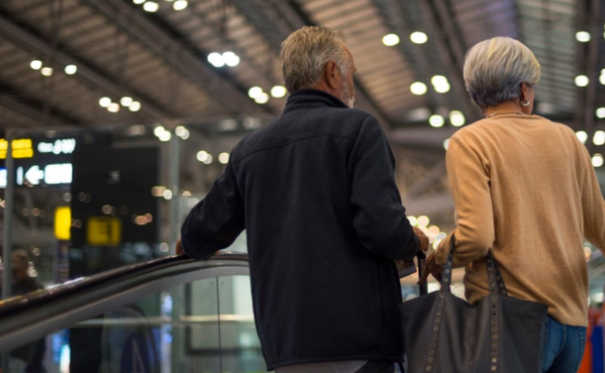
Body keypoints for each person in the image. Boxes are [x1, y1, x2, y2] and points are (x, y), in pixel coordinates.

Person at [178, 26, 429, 373]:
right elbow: (382, 228)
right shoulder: (359, 129)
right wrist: (413, 240)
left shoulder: (250, 150)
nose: (352, 87)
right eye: (350, 75)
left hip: (285, 349)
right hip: (359, 342)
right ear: (331, 72)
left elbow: (199, 233)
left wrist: (188, 243)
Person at [420, 37, 605, 373]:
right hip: (572, 325)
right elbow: (604, 231)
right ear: (525, 91)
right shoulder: (567, 139)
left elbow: (476, 237)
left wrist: (438, 256)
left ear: (476, 93)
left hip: (510, 324)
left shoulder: (470, 141)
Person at [0, 249, 46, 373]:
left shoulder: (35, 288)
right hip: (8, 342)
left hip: (28, 344)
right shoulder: (5, 286)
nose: (13, 274)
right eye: (12, 270)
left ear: (25, 268)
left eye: (16, 270)